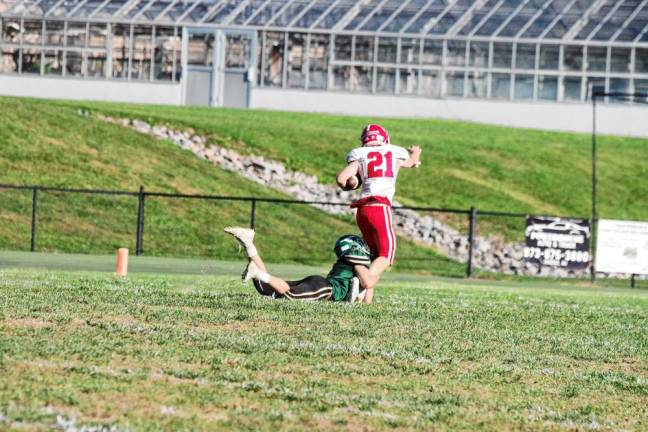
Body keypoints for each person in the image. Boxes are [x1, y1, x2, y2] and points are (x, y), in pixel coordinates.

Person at [336, 124, 422, 301]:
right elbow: (412, 162)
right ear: (385, 139)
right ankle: (362, 283)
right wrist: (416, 153)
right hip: (380, 207)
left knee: (374, 256)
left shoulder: (359, 155)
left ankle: (366, 300)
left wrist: (353, 182)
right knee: (386, 255)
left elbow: (342, 179)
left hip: (363, 210)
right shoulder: (396, 152)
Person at [224, 227, 375, 303]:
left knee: (267, 289)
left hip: (319, 282)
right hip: (326, 288)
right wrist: (374, 275)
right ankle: (256, 272)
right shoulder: (358, 263)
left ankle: (249, 244)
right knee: (289, 295)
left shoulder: (348, 261)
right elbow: (367, 287)